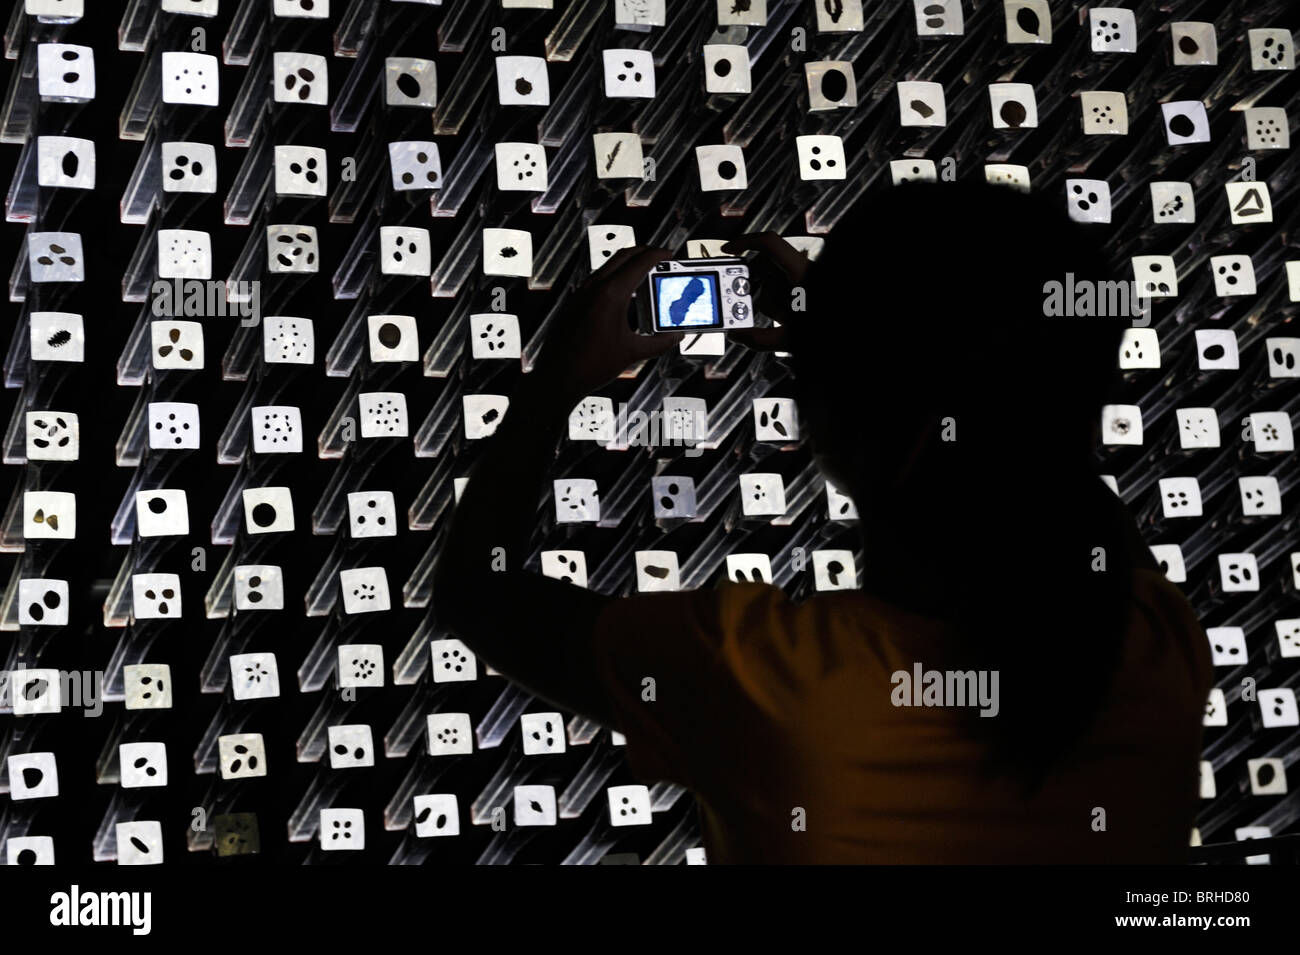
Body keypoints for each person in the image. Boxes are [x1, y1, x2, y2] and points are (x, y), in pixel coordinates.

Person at [432, 183, 1212, 863]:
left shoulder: (770, 682)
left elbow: (478, 595)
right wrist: (865, 363)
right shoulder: (1156, 652)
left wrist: (558, 378)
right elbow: (1035, 452)